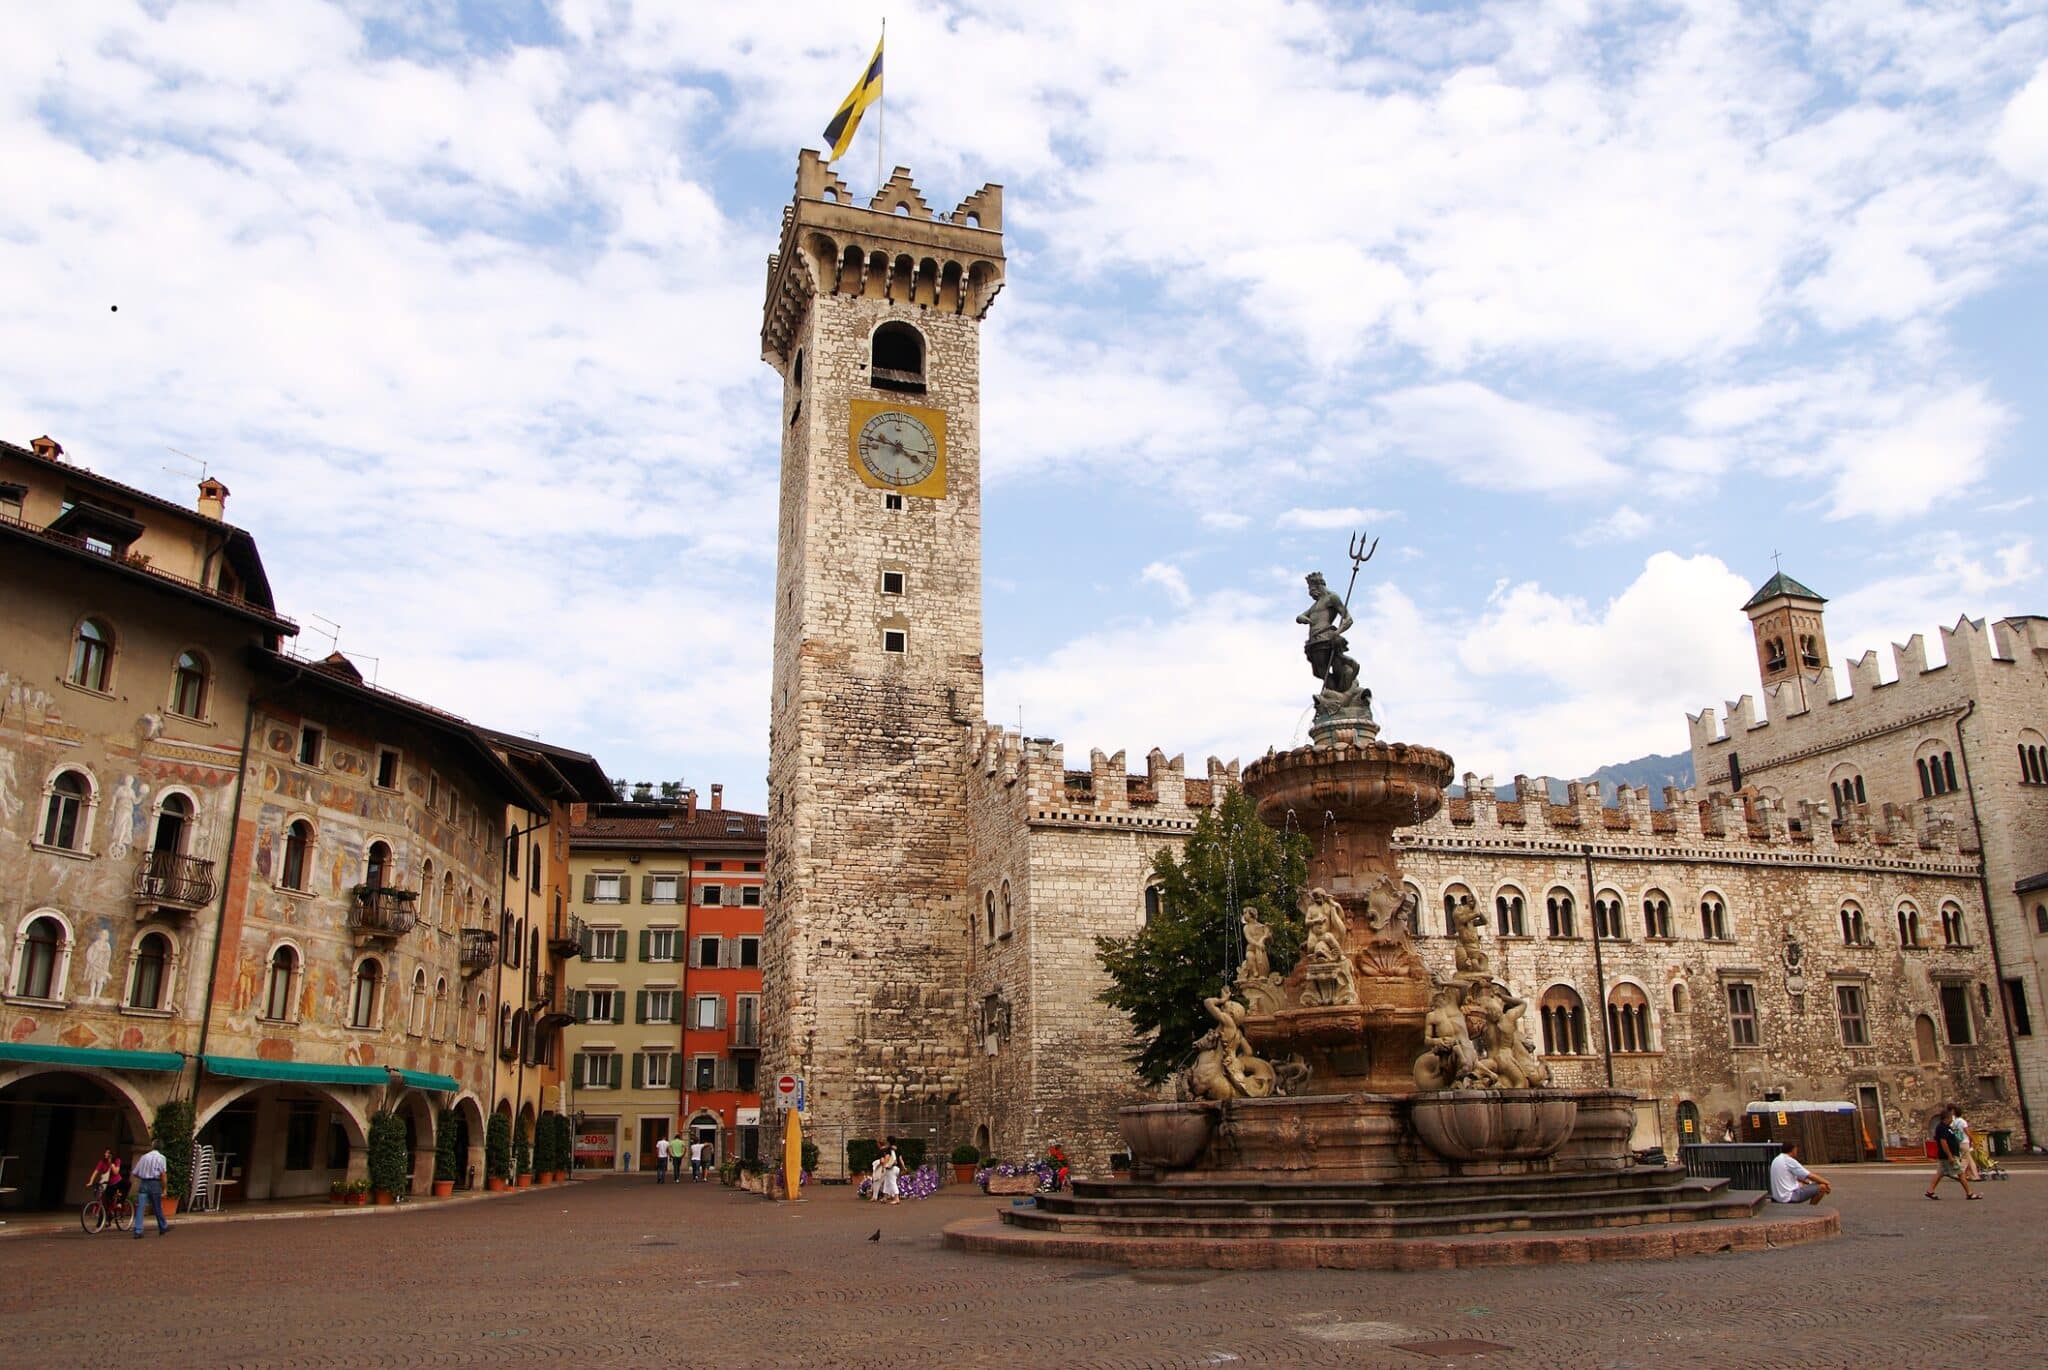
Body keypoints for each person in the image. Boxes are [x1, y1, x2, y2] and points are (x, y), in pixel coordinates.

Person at [1924, 1105, 1980, 1200]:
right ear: (1946, 1118)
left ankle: (1930, 1191)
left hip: (1947, 1155)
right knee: (1961, 1174)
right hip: (1947, 1155)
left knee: (1940, 1173)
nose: (1952, 1120)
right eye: (1950, 1118)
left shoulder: (1947, 1127)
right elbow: (1943, 1142)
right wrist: (1950, 1155)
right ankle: (1970, 1193)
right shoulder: (1942, 1128)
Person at [1767, 1139, 1830, 1205]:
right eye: (1796, 1149)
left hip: (1778, 1196)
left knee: (1801, 1184)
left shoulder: (1777, 1159)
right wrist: (1826, 1182)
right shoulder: (1789, 1160)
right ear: (1793, 1150)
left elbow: (1794, 1176)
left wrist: (1808, 1182)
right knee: (1823, 1187)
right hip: (1788, 1196)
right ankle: (1811, 1209)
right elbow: (1810, 1175)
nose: (1797, 1151)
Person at [131, 1142, 170, 1238]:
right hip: (155, 1183)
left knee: (140, 1207)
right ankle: (163, 1226)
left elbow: (135, 1172)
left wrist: (143, 1176)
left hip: (144, 1183)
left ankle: (138, 1230)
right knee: (157, 1206)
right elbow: (163, 1174)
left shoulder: (144, 1157)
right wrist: (165, 1188)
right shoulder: (161, 1158)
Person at [1952, 1110, 1980, 1182]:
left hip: (1958, 1142)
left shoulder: (1954, 1122)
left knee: (1967, 1159)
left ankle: (1971, 1175)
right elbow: (1967, 1132)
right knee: (1967, 1159)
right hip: (1964, 1142)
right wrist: (1974, 1140)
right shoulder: (1962, 1122)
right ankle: (1963, 1173)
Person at [877, 1138, 901, 1204]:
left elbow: (887, 1157)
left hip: (891, 1169)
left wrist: (884, 1165)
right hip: (896, 1168)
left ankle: (896, 1198)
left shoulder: (888, 1149)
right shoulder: (896, 1149)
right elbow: (900, 1159)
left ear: (888, 1142)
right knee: (887, 1183)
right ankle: (885, 1197)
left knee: (892, 1183)